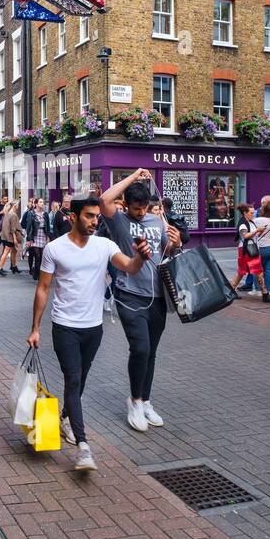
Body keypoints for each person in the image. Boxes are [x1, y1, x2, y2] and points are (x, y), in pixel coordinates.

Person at [29, 191, 152, 473]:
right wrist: (35, 328)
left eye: (97, 216)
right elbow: (43, 288)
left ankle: (64, 419)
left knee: (80, 380)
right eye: (89, 216)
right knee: (73, 379)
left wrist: (141, 258)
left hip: (93, 328)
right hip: (64, 326)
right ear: (74, 217)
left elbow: (130, 268)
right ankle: (83, 446)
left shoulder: (104, 246)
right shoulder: (54, 249)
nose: (95, 221)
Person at [99, 168, 182, 432]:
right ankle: (134, 401)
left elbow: (166, 252)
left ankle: (146, 400)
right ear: (126, 205)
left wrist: (176, 242)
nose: (141, 212)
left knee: (152, 352)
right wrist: (135, 176)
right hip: (129, 294)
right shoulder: (119, 221)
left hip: (157, 295)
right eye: (136, 208)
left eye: (145, 207)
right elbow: (103, 200)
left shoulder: (157, 222)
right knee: (141, 349)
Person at [231, 203, 269, 299]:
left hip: (248, 250)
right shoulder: (243, 223)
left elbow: (253, 236)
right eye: (251, 213)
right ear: (245, 213)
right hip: (248, 251)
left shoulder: (251, 222)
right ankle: (265, 294)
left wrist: (260, 231)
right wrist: (257, 230)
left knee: (241, 272)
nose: (253, 214)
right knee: (258, 271)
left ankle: (231, 291)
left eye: (254, 212)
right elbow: (245, 235)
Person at [23, 197, 50, 279]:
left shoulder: (45, 214)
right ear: (36, 204)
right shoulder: (31, 213)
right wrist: (28, 239)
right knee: (37, 256)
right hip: (35, 236)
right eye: (41, 202)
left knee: (42, 257)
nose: (42, 203)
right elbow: (28, 227)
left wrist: (48, 236)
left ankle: (37, 272)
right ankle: (37, 274)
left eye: (43, 202)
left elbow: (47, 226)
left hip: (43, 235)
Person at [0, 200, 23, 276]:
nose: (18, 206)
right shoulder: (13, 215)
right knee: (6, 252)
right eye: (18, 205)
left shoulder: (7, 213)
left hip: (5, 236)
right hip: (10, 237)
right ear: (15, 206)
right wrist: (15, 239)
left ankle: (13, 266)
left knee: (14, 250)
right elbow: (13, 228)